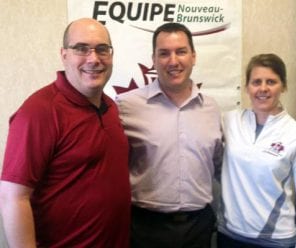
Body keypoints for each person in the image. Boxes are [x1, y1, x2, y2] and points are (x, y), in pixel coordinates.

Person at [0, 18, 131, 248]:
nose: (94, 58)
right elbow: (13, 198)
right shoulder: (39, 111)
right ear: (64, 55)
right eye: (81, 48)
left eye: (102, 49)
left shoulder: (110, 107)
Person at [116, 22, 223, 248]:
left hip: (199, 227)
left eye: (181, 51)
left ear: (193, 56)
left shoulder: (212, 108)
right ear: (153, 59)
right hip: (145, 228)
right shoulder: (126, 106)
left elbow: (221, 166)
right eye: (164, 53)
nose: (173, 61)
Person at [217, 53, 296, 248]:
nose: (263, 88)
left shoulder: (295, 134)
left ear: (284, 86)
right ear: (247, 87)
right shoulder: (229, 120)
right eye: (256, 82)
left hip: (274, 240)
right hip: (229, 235)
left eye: (271, 81)